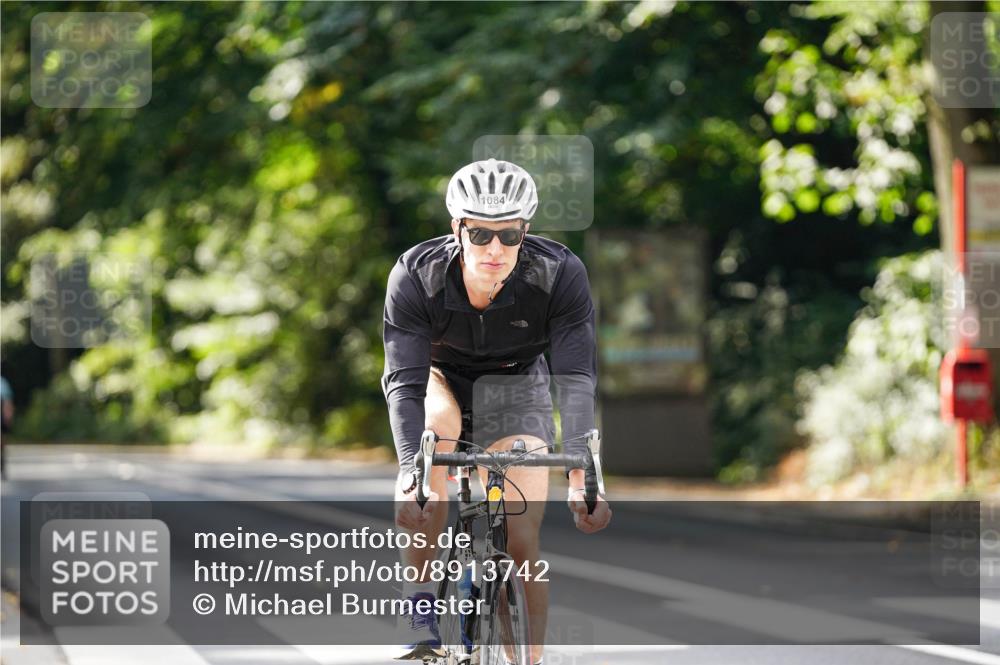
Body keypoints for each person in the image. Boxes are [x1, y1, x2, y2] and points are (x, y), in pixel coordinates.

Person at [382, 158, 612, 664]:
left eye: (508, 235)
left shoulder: (559, 274)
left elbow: (575, 378)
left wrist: (581, 478)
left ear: (525, 232)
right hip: (440, 379)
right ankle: (420, 610)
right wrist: (409, 472)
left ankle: (526, 658)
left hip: (516, 384)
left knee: (522, 537)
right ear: (456, 228)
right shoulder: (416, 274)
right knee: (434, 442)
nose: (494, 249)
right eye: (480, 233)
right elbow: (405, 380)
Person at [0, 375, 13, 480]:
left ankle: (2, 465)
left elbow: (7, 402)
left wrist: (7, 416)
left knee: (1, 441)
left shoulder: (2, 382)